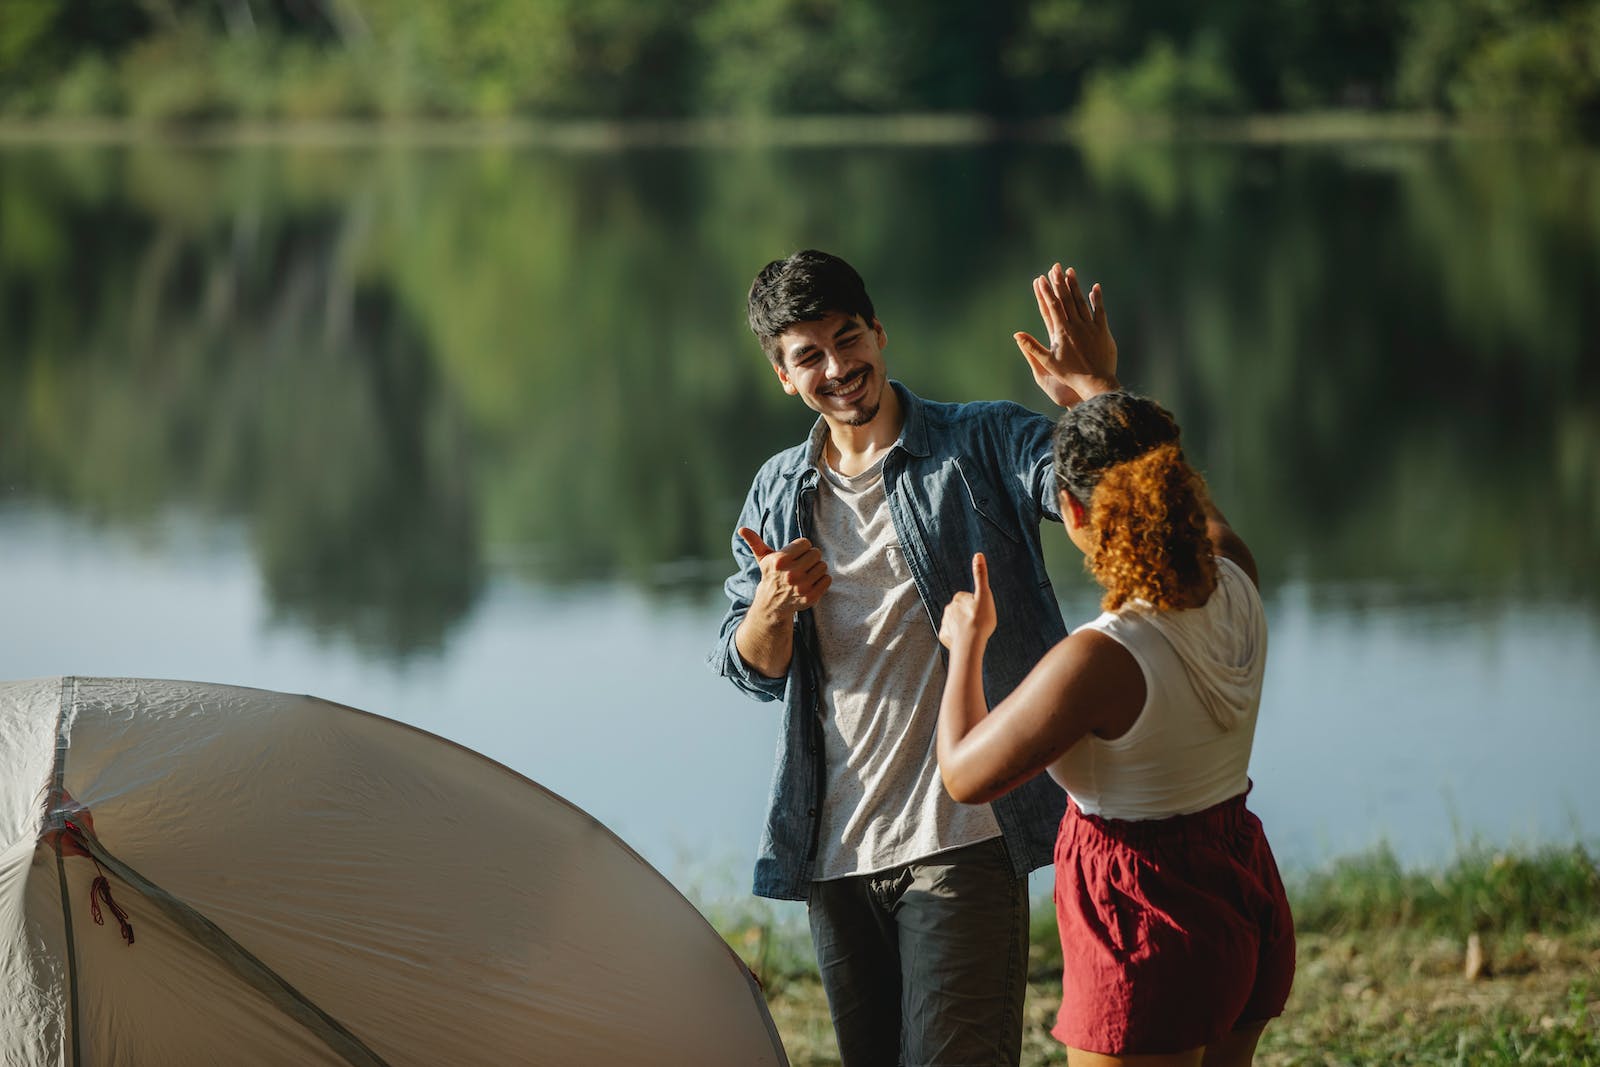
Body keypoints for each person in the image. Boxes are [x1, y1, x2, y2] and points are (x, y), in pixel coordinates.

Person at [709, 250, 1097, 1065]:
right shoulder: (779, 491)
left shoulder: (981, 440)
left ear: (880, 333)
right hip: (835, 852)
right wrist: (774, 607)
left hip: (963, 834)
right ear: (782, 375)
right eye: (808, 356)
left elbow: (1096, 493)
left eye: (848, 339)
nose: (838, 367)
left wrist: (1096, 400)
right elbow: (749, 666)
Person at [935, 266, 1295, 1066]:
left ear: (1071, 512)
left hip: (1145, 920)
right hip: (1244, 890)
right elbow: (1170, 483)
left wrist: (966, 648)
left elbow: (963, 773)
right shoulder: (1235, 575)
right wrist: (1100, 383)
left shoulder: (1100, 659)